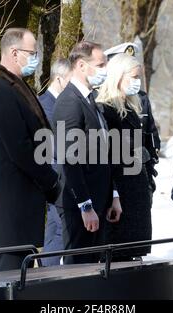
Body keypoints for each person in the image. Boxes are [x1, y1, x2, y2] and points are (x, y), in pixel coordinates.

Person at [0, 28, 61, 272]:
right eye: (32, 53)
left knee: (24, 270)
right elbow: (20, 148)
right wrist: (51, 182)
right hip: (12, 196)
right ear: (14, 53)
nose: (35, 58)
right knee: (11, 270)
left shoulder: (15, 87)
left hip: (25, 194)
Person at [52, 41, 122, 264]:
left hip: (99, 201)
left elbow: (103, 154)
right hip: (80, 206)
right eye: (100, 64)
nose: (105, 70)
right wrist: (86, 205)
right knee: (79, 274)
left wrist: (112, 195)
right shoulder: (69, 103)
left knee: (94, 272)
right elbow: (70, 159)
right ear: (81, 66)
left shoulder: (90, 100)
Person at [96, 53, 152, 261]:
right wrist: (115, 194)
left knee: (134, 254)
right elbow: (109, 158)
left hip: (136, 191)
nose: (137, 82)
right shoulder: (106, 109)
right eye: (133, 77)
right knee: (119, 254)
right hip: (120, 193)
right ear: (118, 77)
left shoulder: (131, 107)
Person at [104, 42, 160, 203]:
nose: (136, 80)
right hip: (119, 181)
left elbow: (149, 132)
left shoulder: (140, 98)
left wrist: (149, 168)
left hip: (141, 172)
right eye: (132, 76)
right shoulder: (104, 104)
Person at [39, 58, 72, 267]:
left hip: (58, 177)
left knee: (54, 230)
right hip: (56, 178)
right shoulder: (46, 106)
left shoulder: (56, 103)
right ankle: (46, 277)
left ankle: (43, 273)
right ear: (59, 79)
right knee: (62, 229)